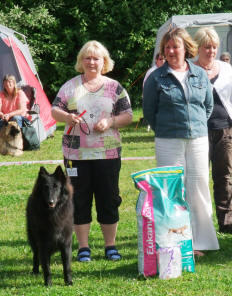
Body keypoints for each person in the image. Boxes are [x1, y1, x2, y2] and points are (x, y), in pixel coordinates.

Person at [51, 40, 133, 261]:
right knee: (79, 199)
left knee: (108, 198)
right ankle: (83, 247)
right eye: (87, 57)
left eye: (96, 58)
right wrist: (67, 117)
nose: (91, 62)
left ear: (104, 62)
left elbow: (129, 116)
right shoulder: (70, 86)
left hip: (107, 155)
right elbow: (54, 110)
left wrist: (111, 121)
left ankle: (110, 246)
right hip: (76, 155)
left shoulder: (115, 87)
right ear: (81, 61)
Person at [143, 28, 218, 256]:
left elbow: (207, 107)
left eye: (175, 46)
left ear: (186, 48)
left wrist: (193, 126)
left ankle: (201, 242)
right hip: (168, 139)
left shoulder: (200, 74)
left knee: (199, 187)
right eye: (167, 47)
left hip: (198, 139)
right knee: (172, 189)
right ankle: (176, 242)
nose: (171, 51)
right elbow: (149, 112)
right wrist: (170, 129)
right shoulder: (156, 77)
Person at [193, 27, 232, 235]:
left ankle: (228, 222)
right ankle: (200, 224)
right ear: (197, 48)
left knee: (224, 177)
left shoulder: (226, 69)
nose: (211, 51)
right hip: (198, 131)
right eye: (207, 47)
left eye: (214, 47)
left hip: (225, 129)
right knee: (197, 177)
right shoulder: (189, 69)